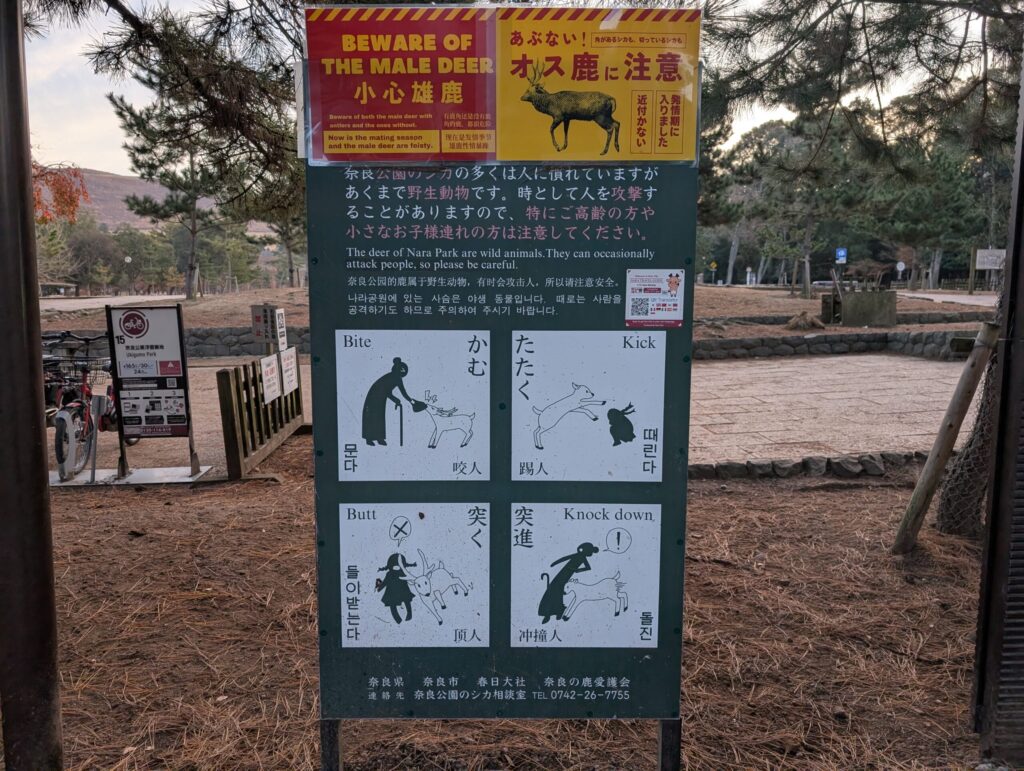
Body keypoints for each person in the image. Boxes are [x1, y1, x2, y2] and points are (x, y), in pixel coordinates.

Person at [538, 542, 599, 623]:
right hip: (563, 574)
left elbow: (588, 567)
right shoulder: (579, 555)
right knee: (555, 591)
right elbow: (564, 558)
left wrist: (577, 570)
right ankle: (553, 612)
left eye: (584, 549)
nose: (582, 550)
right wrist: (554, 563)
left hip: (565, 575)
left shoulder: (581, 557)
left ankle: (554, 611)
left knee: (555, 591)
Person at [362, 357, 415, 446]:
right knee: (371, 416)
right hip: (374, 396)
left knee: (380, 416)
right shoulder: (391, 376)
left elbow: (403, 392)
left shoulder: (397, 378)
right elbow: (386, 391)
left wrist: (410, 401)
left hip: (381, 397)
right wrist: (396, 399)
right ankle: (369, 438)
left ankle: (379, 438)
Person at [377, 553, 417, 623]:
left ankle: (409, 615)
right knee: (393, 605)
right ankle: (398, 620)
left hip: (403, 590)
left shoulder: (402, 573)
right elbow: (385, 582)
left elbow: (409, 579)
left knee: (407, 601)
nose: (396, 567)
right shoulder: (389, 574)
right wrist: (379, 588)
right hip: (392, 592)